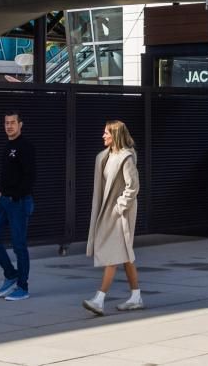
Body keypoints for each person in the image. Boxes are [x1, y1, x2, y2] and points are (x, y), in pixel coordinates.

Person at [82, 120, 143, 315]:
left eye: (106, 133)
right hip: (107, 211)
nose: (103, 136)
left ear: (115, 135)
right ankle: (136, 297)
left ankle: (99, 299)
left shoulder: (126, 158)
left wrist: (120, 207)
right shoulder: (104, 157)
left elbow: (133, 186)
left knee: (113, 252)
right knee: (124, 254)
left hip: (120, 214)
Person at [0, 111, 35, 301]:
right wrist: (2, 192)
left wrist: (16, 194)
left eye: (13, 123)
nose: (9, 126)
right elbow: (9, 174)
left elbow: (30, 176)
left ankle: (22, 287)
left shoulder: (25, 146)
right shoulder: (8, 146)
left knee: (19, 245)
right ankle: (10, 274)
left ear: (20, 124)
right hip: (4, 200)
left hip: (19, 201)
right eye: (6, 123)